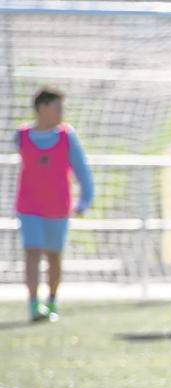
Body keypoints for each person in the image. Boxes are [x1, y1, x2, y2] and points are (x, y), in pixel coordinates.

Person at [15, 87, 93, 323]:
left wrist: (85, 200)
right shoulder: (22, 136)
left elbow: (83, 171)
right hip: (29, 205)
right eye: (58, 107)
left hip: (58, 206)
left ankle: (52, 299)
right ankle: (32, 303)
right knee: (31, 252)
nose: (62, 112)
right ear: (42, 108)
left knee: (53, 256)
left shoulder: (67, 136)